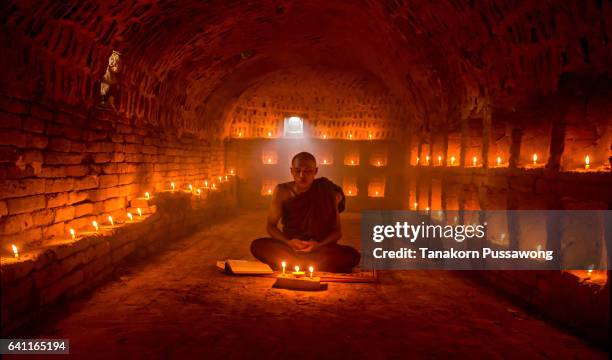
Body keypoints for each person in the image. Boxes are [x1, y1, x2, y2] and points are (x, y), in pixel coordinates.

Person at [250, 152, 360, 273]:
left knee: (353, 255)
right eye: (297, 170)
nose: (302, 175)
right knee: (257, 245)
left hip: (319, 248)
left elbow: (337, 233)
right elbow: (271, 226)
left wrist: (318, 245)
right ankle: (311, 264)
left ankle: (294, 263)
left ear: (315, 171)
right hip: (291, 247)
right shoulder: (282, 191)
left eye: (307, 171)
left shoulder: (328, 192)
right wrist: (289, 242)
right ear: (291, 171)